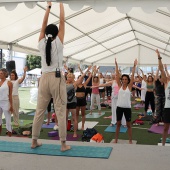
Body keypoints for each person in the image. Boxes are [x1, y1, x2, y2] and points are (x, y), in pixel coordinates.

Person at [31, 2, 70, 151]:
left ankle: (34, 141)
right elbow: (62, 21)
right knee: (60, 110)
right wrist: (60, 3)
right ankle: (63, 144)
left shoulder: (41, 43)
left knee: (39, 111)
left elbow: (43, 24)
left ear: (46, 34)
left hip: (44, 79)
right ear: (56, 34)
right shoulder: (58, 43)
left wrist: (48, 7)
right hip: (57, 78)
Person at [114, 58, 137, 144]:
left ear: (128, 80)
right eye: (123, 79)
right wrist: (116, 65)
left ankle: (130, 140)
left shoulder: (129, 87)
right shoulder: (119, 86)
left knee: (128, 125)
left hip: (127, 108)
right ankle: (116, 140)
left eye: (125, 79)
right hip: (119, 107)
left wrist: (134, 66)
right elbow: (117, 75)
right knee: (118, 124)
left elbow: (133, 76)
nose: (124, 80)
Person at [155, 49, 170, 146]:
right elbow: (161, 69)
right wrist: (159, 57)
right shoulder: (167, 83)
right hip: (168, 108)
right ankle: (163, 145)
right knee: (165, 127)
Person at [0, 68, 13, 137]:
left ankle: (9, 137)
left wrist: (11, 106)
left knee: (8, 121)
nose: (0, 74)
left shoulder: (9, 83)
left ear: (5, 74)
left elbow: (10, 95)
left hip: (6, 103)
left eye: (1, 73)